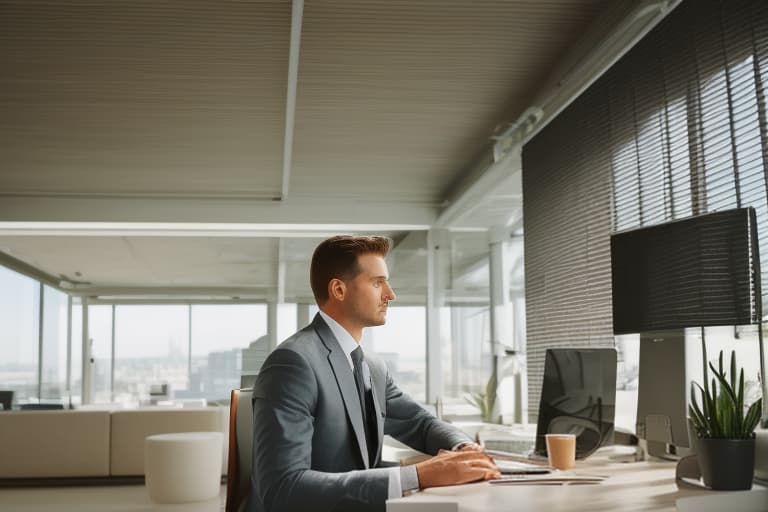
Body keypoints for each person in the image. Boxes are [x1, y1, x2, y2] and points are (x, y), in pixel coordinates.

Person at [250, 235, 500, 512]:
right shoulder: (293, 363)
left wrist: (464, 449)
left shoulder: (371, 366)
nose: (390, 294)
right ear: (339, 290)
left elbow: (419, 422)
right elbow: (283, 488)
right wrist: (419, 475)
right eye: (377, 282)